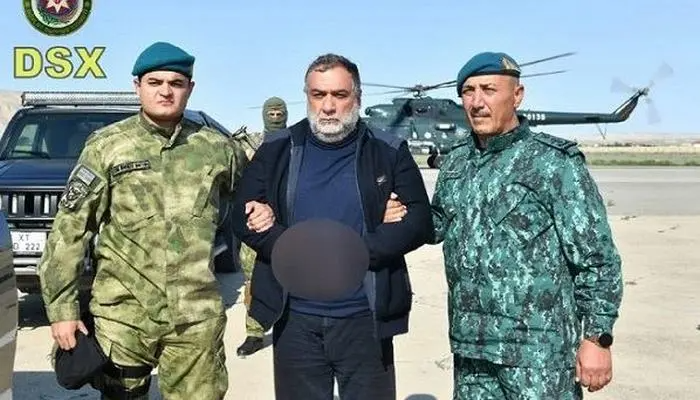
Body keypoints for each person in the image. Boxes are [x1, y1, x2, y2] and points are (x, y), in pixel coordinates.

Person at [386, 51, 624, 399]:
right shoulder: (457, 161)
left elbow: (597, 258)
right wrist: (399, 211)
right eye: (468, 92)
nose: (477, 102)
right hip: (472, 348)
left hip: (538, 354)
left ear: (517, 95)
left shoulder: (554, 163)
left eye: (489, 90)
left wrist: (597, 338)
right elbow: (439, 224)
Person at [37, 41, 257, 399]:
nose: (165, 91)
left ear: (190, 88)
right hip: (123, 316)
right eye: (155, 82)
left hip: (195, 317)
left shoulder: (218, 149)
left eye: (176, 83)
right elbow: (70, 230)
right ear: (137, 86)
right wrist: (63, 309)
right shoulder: (107, 146)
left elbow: (253, 205)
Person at [231, 53, 433, 399]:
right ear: (307, 96)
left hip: (364, 319)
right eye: (318, 94)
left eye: (339, 95)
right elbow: (241, 214)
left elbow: (419, 221)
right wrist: (290, 247)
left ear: (357, 97)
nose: (327, 106)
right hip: (295, 320)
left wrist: (357, 252)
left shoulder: (388, 150)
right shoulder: (278, 149)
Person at [236, 96, 289, 357]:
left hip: (288, 219)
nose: (275, 117)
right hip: (255, 224)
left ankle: (290, 326)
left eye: (279, 113)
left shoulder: (297, 142)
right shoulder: (249, 144)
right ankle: (254, 332)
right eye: (271, 113)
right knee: (253, 279)